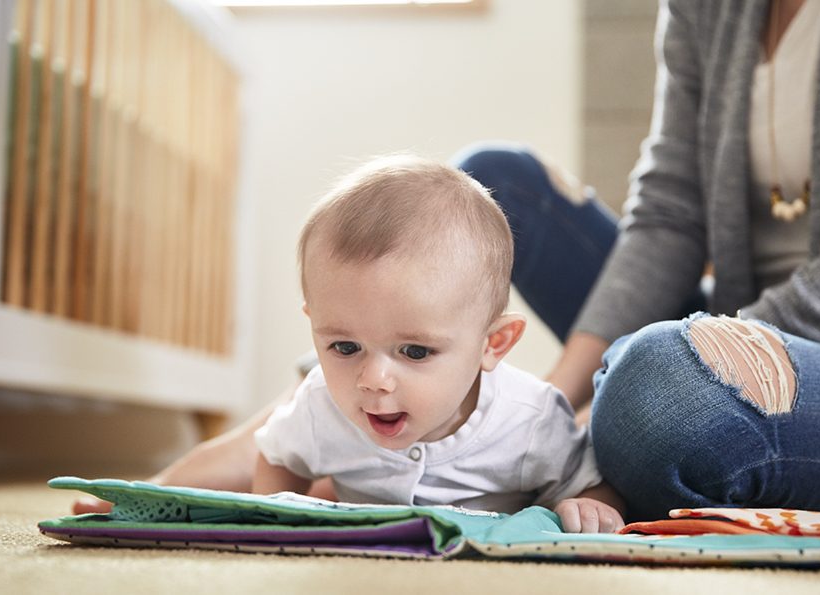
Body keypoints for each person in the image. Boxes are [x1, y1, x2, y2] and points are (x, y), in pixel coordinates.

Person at [452, 0, 820, 527]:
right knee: (488, 189)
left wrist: (693, 361)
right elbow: (668, 216)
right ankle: (611, 428)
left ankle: (625, 435)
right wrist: (550, 413)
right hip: (729, 313)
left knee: (665, 388)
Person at [78, 155, 625, 533]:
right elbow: (275, 455)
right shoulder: (320, 404)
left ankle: (330, 489)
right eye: (344, 346)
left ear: (494, 343)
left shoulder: (531, 421)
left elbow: (588, 482)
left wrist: (592, 507)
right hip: (359, 512)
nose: (373, 380)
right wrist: (275, 512)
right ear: (314, 323)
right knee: (303, 481)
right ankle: (165, 491)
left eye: (414, 352)